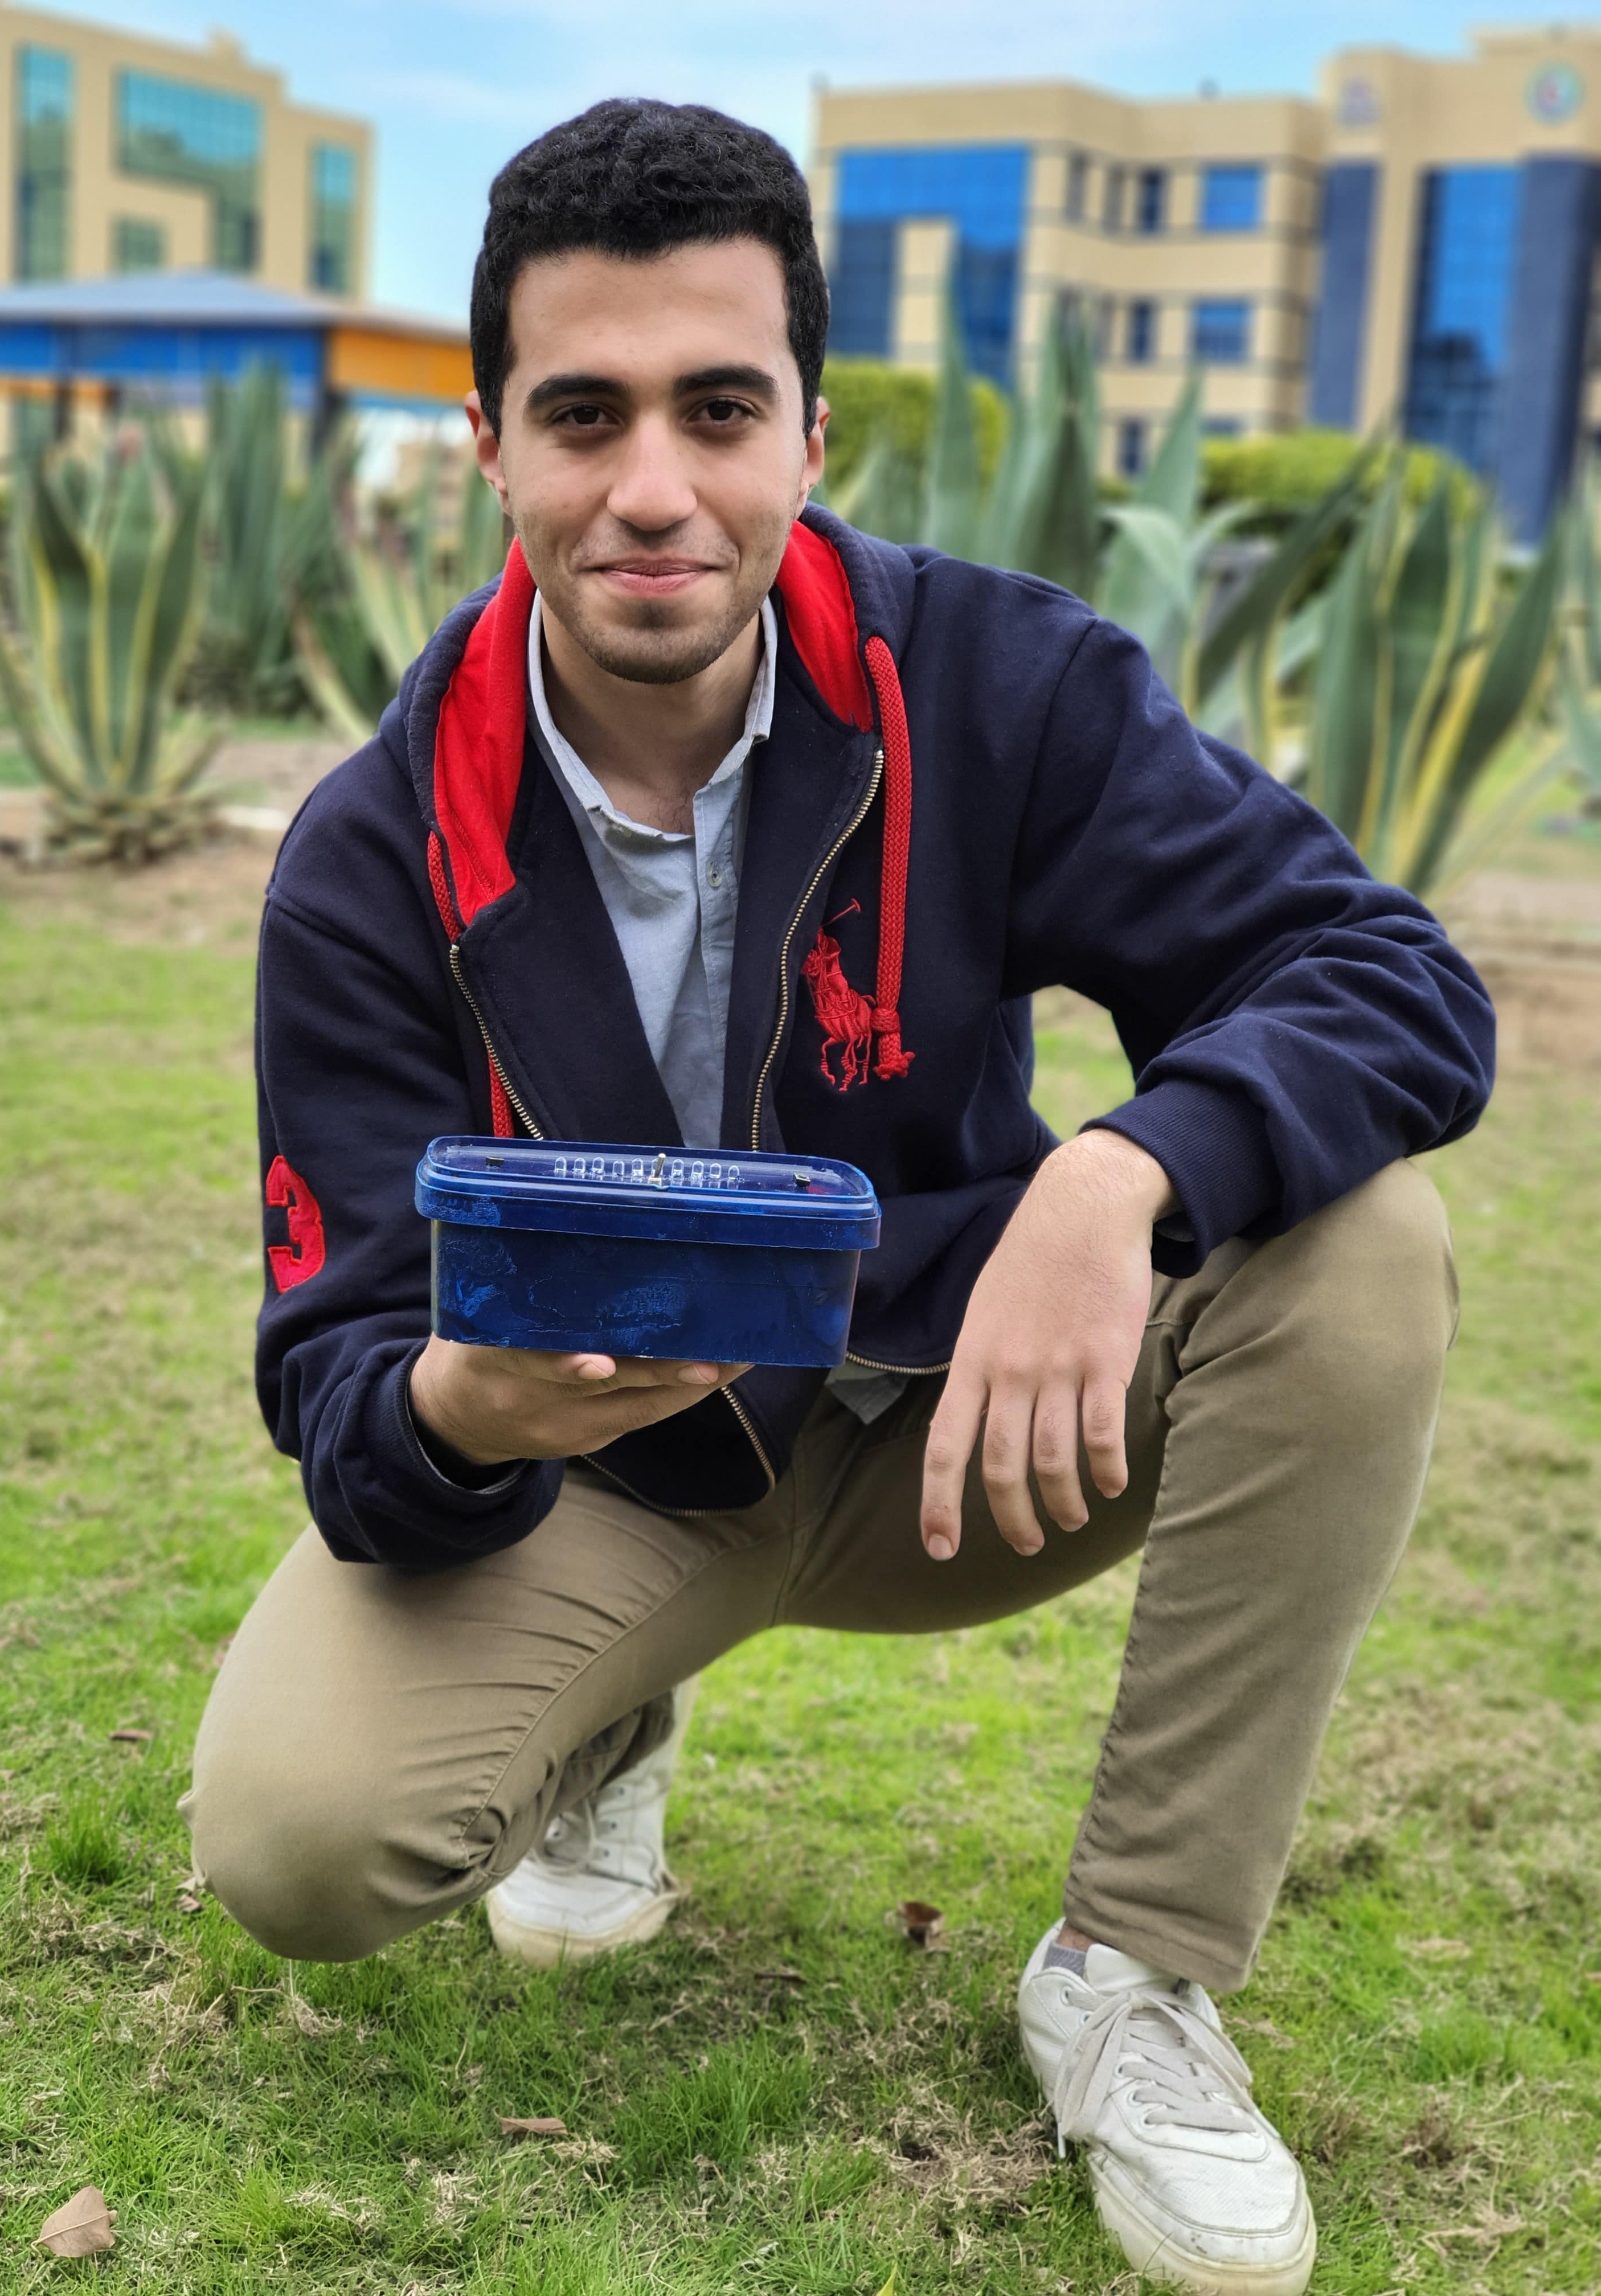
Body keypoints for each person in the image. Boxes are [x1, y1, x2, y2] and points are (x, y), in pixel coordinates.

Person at [181, 100, 1490, 2295]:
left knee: (1362, 1245)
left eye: (720, 406)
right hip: (600, 1477)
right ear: (489, 441)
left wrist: (1127, 1168)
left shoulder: (1001, 684)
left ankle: (1135, 1980)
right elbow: (332, 1372)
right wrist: (459, 1421)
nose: (654, 489)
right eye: (582, 416)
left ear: (807, 428)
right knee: (297, 1850)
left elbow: (1388, 975)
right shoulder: (370, 849)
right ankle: (601, 1725)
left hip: (975, 1419)